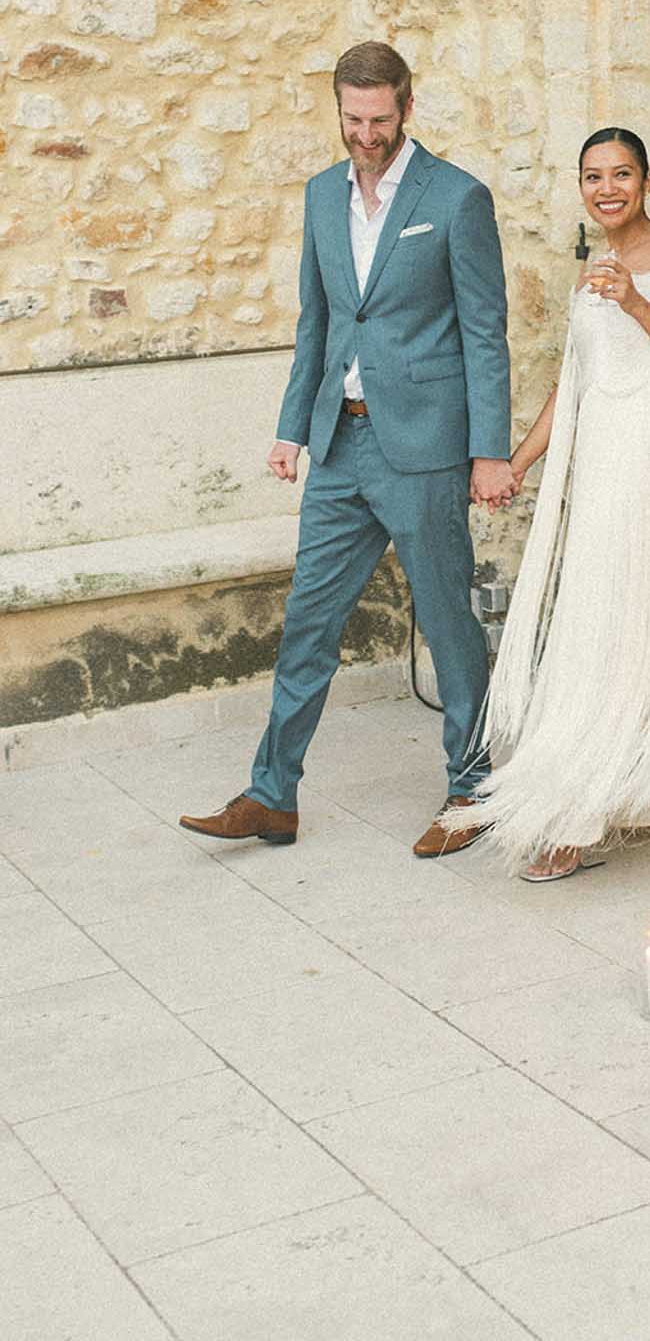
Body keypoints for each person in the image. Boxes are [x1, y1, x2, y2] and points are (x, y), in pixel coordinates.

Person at [180, 42, 516, 858]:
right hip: (339, 442)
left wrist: (489, 451)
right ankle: (272, 795)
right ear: (338, 111)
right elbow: (318, 321)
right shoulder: (322, 196)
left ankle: (471, 790)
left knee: (447, 624)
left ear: (406, 107)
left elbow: (485, 333)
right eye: (353, 119)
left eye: (379, 119)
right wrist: (293, 427)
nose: (365, 134)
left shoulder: (457, 197)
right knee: (307, 623)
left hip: (426, 448)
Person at [459, 127, 650, 880]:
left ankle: (580, 818)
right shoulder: (590, 273)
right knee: (604, 626)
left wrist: (634, 301)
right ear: (581, 187)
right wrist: (516, 463)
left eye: (621, 174)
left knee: (646, 624)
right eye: (594, 176)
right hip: (601, 472)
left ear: (646, 180)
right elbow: (574, 384)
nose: (608, 189)